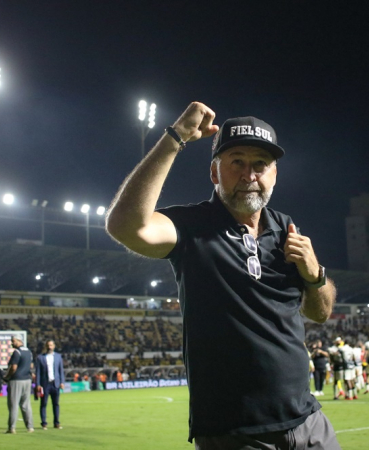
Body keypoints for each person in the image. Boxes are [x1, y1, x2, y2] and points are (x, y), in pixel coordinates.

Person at [106, 102, 340, 449]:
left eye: (261, 164)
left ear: (274, 174)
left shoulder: (285, 227)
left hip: (308, 422)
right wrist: (175, 138)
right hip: (234, 434)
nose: (250, 175)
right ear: (215, 173)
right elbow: (126, 226)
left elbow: (319, 313)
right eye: (237, 162)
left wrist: (314, 273)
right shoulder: (192, 226)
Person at [3, 335, 34, 434]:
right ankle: (30, 427)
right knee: (26, 404)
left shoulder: (17, 352)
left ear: (19, 341)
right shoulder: (29, 351)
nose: (12, 343)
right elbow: (31, 365)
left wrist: (6, 377)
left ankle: (12, 428)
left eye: (13, 341)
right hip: (27, 380)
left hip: (16, 380)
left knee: (14, 404)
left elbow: (13, 368)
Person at [35, 340, 65, 430]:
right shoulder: (40, 357)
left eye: (51, 345)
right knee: (43, 403)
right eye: (48, 345)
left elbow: (61, 370)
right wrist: (38, 384)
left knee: (56, 404)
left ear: (54, 346)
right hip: (45, 384)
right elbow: (38, 372)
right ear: (46, 346)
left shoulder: (58, 357)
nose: (49, 347)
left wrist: (62, 382)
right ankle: (44, 423)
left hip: (55, 383)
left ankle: (56, 423)